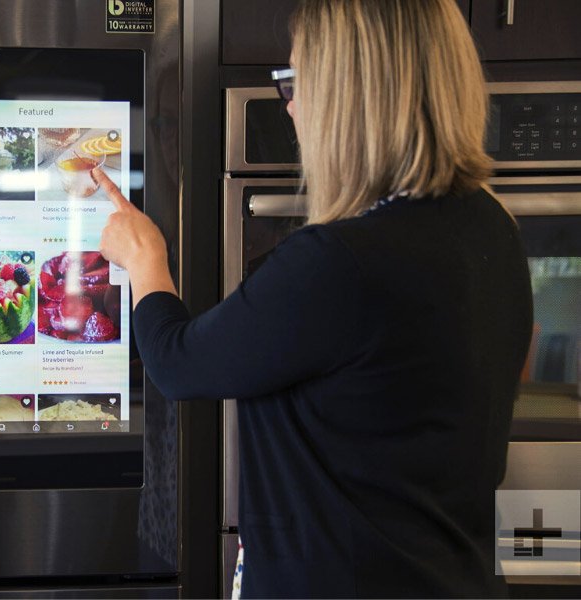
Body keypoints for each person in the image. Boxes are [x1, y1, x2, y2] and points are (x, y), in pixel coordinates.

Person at [94, 0, 534, 597]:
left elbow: (176, 363)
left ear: (351, 96)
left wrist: (145, 256)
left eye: (297, 81)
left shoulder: (340, 262)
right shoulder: (492, 227)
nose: (291, 105)